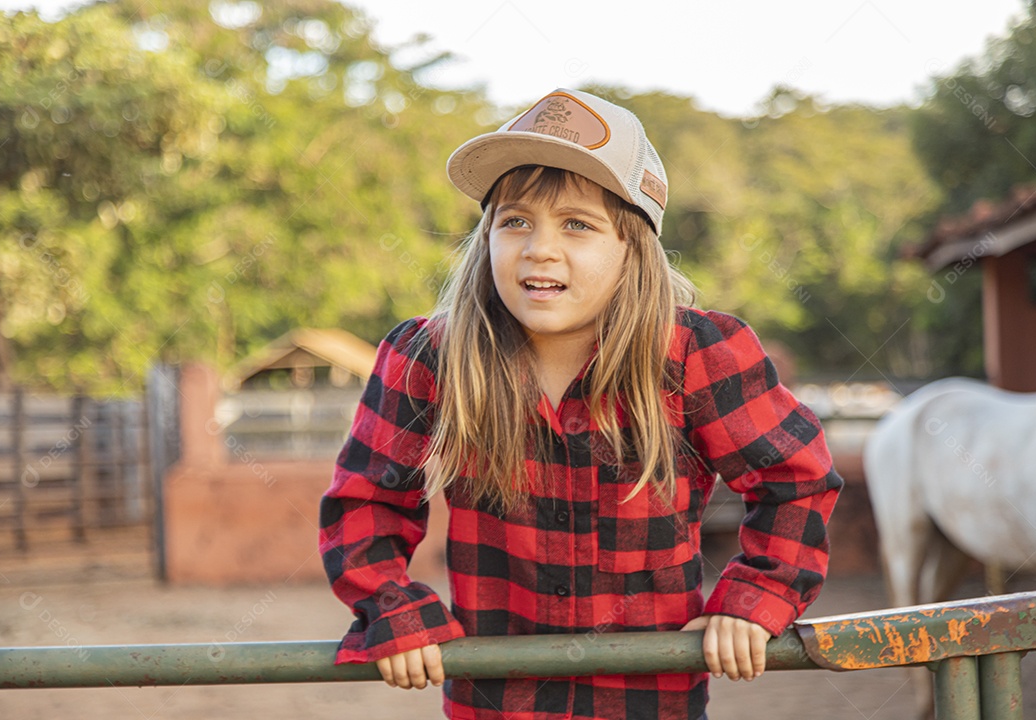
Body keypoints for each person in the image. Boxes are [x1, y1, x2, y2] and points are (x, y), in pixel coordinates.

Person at [320, 87, 843, 720]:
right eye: (514, 221)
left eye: (577, 224)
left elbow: (797, 480)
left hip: (650, 704)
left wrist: (755, 594)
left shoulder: (695, 355)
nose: (538, 247)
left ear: (632, 246)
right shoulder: (429, 359)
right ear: (487, 239)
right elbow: (364, 504)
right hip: (498, 703)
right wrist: (392, 605)